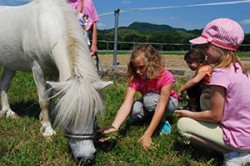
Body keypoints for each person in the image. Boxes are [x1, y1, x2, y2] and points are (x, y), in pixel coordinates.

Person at [175, 18, 250, 166]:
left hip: (238, 138)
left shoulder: (220, 72)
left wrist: (188, 114)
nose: (203, 53)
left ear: (218, 47)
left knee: (182, 125)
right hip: (246, 129)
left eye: (205, 47)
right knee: (205, 97)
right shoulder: (239, 68)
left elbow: (215, 116)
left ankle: (233, 153)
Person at [99, 44, 178, 149]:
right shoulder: (136, 78)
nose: (137, 71)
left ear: (152, 63)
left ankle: (163, 122)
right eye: (135, 67)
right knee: (134, 109)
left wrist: (147, 135)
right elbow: (127, 103)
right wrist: (114, 127)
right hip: (151, 103)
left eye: (141, 67)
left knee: (149, 100)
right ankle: (151, 119)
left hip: (169, 104)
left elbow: (161, 105)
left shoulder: (166, 76)